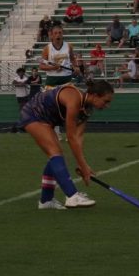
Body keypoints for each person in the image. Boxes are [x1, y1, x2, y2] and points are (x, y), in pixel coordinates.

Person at [19, 80, 114, 209]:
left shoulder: (87, 109)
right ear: (95, 96)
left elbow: (78, 137)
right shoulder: (74, 98)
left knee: (56, 155)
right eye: (106, 101)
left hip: (47, 120)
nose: (107, 105)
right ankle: (72, 196)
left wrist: (82, 165)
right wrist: (84, 166)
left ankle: (46, 201)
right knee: (55, 152)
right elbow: (71, 136)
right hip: (34, 114)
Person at [41, 22, 77, 88]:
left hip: (66, 79)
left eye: (60, 33)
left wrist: (76, 67)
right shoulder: (47, 48)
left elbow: (72, 59)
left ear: (62, 34)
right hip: (52, 80)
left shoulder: (69, 46)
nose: (58, 35)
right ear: (52, 35)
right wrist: (53, 68)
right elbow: (41, 66)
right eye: (56, 33)